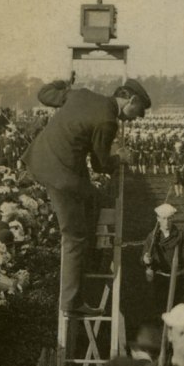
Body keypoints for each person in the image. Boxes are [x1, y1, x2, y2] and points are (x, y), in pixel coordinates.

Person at [22, 78, 150, 314]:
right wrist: (119, 157)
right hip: (61, 175)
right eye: (136, 112)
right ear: (130, 99)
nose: (131, 119)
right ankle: (71, 303)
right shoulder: (108, 121)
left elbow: (44, 93)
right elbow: (101, 165)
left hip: (40, 160)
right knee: (75, 237)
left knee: (92, 198)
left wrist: (63, 82)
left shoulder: (80, 93)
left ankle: (90, 255)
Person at [141, 204, 184, 314]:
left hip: (178, 277)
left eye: (169, 218)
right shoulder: (152, 237)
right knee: (161, 308)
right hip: (160, 277)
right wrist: (146, 260)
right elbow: (144, 256)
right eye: (163, 218)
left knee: (178, 309)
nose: (166, 222)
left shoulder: (181, 235)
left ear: (173, 218)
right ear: (158, 219)